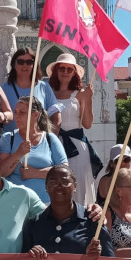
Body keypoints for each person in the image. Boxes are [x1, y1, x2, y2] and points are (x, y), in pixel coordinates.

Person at [47, 53, 101, 207]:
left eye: (69, 69)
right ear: (56, 70)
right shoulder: (47, 93)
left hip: (76, 147)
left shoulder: (80, 94)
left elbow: (88, 124)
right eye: (62, 68)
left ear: (74, 73)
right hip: (53, 144)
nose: (65, 72)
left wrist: (88, 99)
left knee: (77, 186)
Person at [0, 96, 67, 202]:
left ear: (36, 115)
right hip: (16, 203)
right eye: (16, 112)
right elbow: (1, 172)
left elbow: (64, 172)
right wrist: (19, 153)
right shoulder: (9, 138)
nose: (17, 116)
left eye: (22, 112)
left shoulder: (50, 139)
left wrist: (35, 173)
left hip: (46, 203)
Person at [1, 47, 60, 133]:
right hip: (12, 143)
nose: (25, 65)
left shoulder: (44, 87)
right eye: (20, 62)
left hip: (38, 142)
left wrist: (50, 139)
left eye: (29, 62)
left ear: (34, 65)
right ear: (14, 64)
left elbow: (56, 116)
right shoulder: (4, 89)